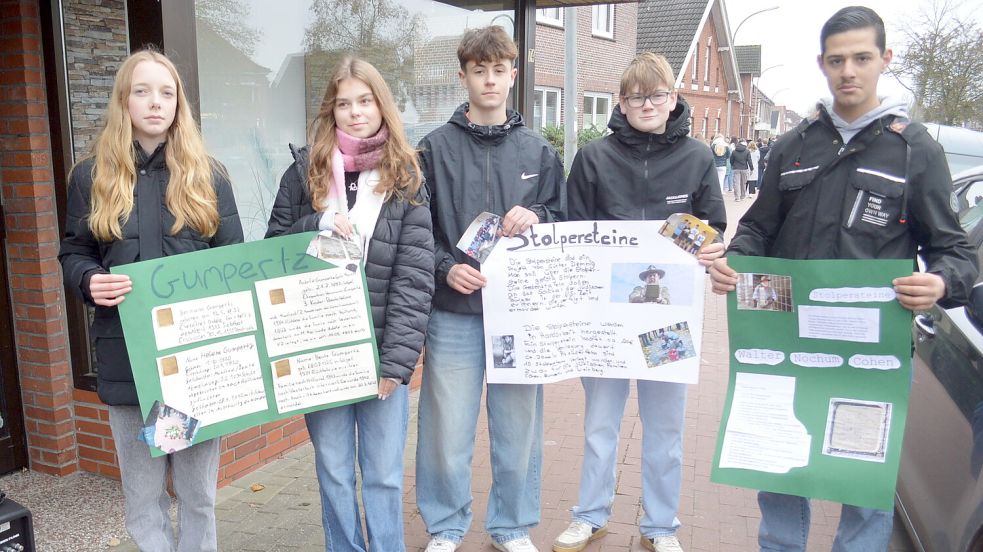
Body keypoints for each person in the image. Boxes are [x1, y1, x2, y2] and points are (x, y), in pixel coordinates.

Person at [709, 6, 978, 551]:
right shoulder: (794, 145)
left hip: (870, 357)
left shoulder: (914, 149)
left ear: (885, 60)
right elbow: (757, 230)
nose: (848, 71)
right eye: (837, 60)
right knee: (779, 472)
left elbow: (955, 251)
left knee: (863, 488)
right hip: (784, 344)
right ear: (822, 64)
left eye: (861, 58)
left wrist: (942, 284)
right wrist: (736, 261)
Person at [59, 49, 243, 552]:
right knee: (143, 496)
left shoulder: (209, 175)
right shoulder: (91, 176)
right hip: (130, 363)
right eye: (142, 90)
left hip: (194, 366)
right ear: (124, 100)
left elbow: (234, 263)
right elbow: (73, 253)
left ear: (179, 104)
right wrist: (89, 280)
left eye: (166, 92)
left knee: (196, 492)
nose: (155, 102)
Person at [556, 52, 726, 552]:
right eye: (636, 96)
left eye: (657, 95)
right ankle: (590, 514)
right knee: (599, 424)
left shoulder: (697, 157)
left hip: (667, 321)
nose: (647, 104)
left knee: (666, 430)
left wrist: (709, 244)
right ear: (622, 104)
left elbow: (713, 224)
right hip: (605, 318)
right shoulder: (594, 159)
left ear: (673, 99)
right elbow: (571, 229)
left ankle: (660, 525)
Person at [265, 57, 435, 552]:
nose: (356, 112)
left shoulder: (406, 178)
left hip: (381, 351)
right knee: (334, 471)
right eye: (344, 103)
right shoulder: (303, 175)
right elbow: (271, 250)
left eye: (365, 101)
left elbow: (415, 277)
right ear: (331, 110)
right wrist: (312, 226)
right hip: (319, 350)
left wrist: (398, 363)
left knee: (382, 475)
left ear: (382, 105)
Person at [415, 26, 564, 552]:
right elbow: (416, 232)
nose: (490, 80)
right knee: (446, 430)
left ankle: (511, 526)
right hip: (454, 312)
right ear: (463, 77)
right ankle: (446, 526)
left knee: (518, 428)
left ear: (513, 75)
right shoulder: (432, 150)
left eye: (499, 70)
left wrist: (540, 215)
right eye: (479, 71)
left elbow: (563, 225)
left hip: (518, 319)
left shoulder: (539, 152)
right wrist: (442, 269)